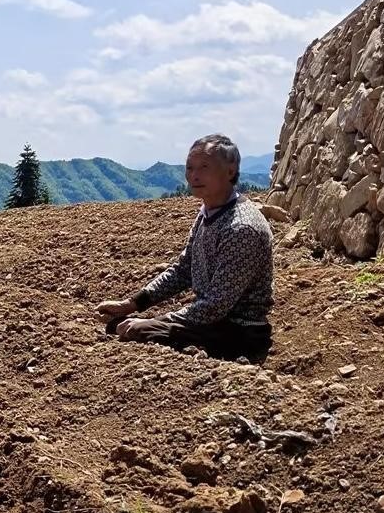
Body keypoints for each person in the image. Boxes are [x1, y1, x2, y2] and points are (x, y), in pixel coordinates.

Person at [95, 134, 274, 364]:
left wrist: (158, 321)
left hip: (238, 332)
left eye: (204, 167)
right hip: (213, 323)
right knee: (121, 325)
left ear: (230, 172)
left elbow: (215, 306)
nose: (194, 175)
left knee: (138, 333)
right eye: (190, 167)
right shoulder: (208, 211)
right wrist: (132, 304)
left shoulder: (241, 228)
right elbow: (183, 269)